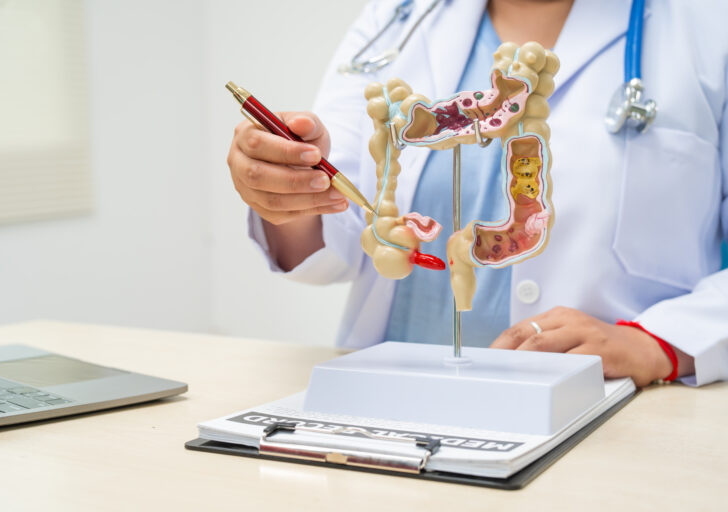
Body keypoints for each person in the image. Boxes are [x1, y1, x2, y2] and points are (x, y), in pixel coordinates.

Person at [226, 0, 728, 387]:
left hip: (604, 413)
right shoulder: (401, 18)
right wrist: (288, 192)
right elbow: (340, 225)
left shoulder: (705, 24)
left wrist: (663, 342)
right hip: (393, 402)